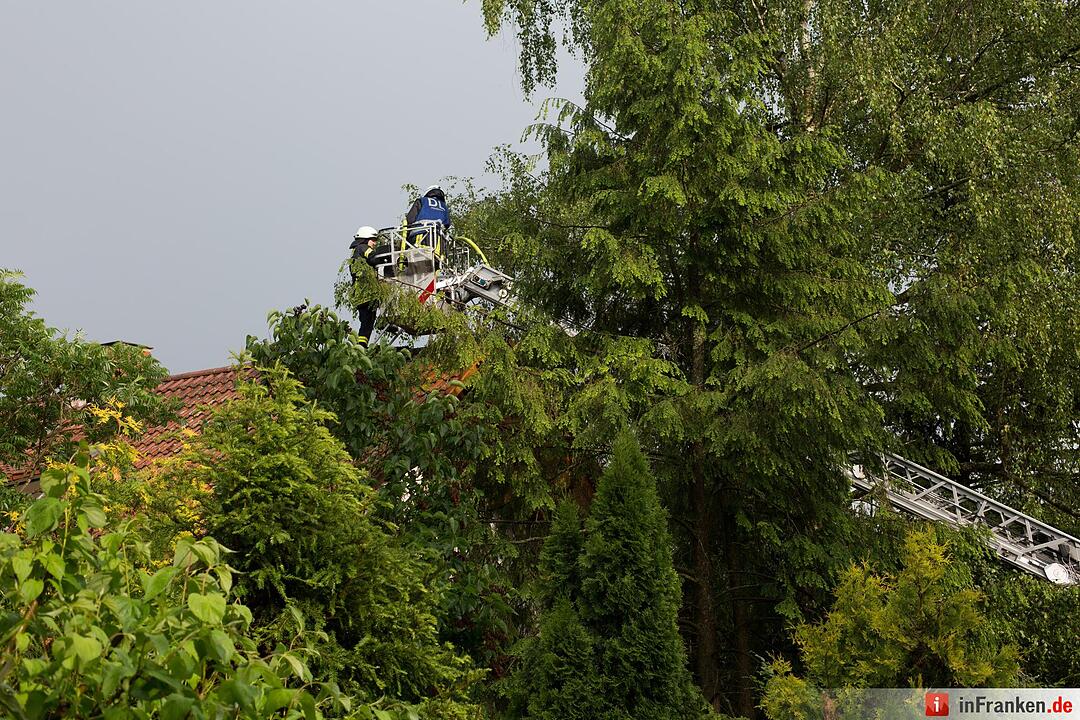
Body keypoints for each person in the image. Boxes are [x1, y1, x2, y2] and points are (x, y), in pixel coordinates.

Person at [348, 225, 383, 345]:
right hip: (365, 294)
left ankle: (362, 345)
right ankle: (361, 347)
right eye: (373, 240)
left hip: (361, 296)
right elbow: (373, 258)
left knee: (367, 322)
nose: (374, 243)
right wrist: (385, 256)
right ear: (365, 239)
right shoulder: (362, 248)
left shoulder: (356, 253)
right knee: (368, 321)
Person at [405, 185, 451, 251]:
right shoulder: (444, 206)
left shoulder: (421, 201)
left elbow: (410, 219)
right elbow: (447, 224)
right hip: (438, 242)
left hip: (419, 237)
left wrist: (406, 238)